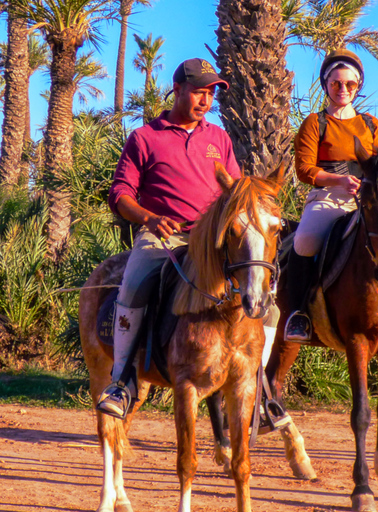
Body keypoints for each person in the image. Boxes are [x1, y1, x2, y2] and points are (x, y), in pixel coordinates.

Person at [97, 58, 241, 419]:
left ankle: (263, 387)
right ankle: (121, 380)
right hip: (164, 238)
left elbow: (235, 190)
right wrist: (150, 218)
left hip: (211, 241)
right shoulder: (145, 137)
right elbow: (120, 194)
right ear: (177, 90)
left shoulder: (218, 138)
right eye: (198, 92)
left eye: (210, 94)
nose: (205, 100)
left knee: (258, 285)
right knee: (132, 285)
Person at [284, 49, 378, 342]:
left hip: (367, 199)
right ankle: (298, 314)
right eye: (335, 83)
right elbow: (304, 169)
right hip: (328, 197)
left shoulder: (371, 125)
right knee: (304, 242)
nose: (342, 89)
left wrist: (369, 184)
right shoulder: (315, 123)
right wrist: (339, 180)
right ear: (325, 84)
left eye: (350, 84)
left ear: (359, 86)